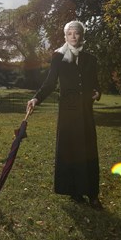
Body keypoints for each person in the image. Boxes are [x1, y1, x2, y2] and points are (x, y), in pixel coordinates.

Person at [27, 20, 103, 209]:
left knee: (88, 151)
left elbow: (95, 83)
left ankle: (93, 193)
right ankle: (75, 191)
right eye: (70, 34)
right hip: (67, 112)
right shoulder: (58, 57)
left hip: (85, 110)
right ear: (65, 36)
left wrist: (98, 92)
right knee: (71, 151)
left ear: (82, 35)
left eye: (77, 33)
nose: (73, 37)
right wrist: (36, 99)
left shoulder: (91, 59)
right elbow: (50, 83)